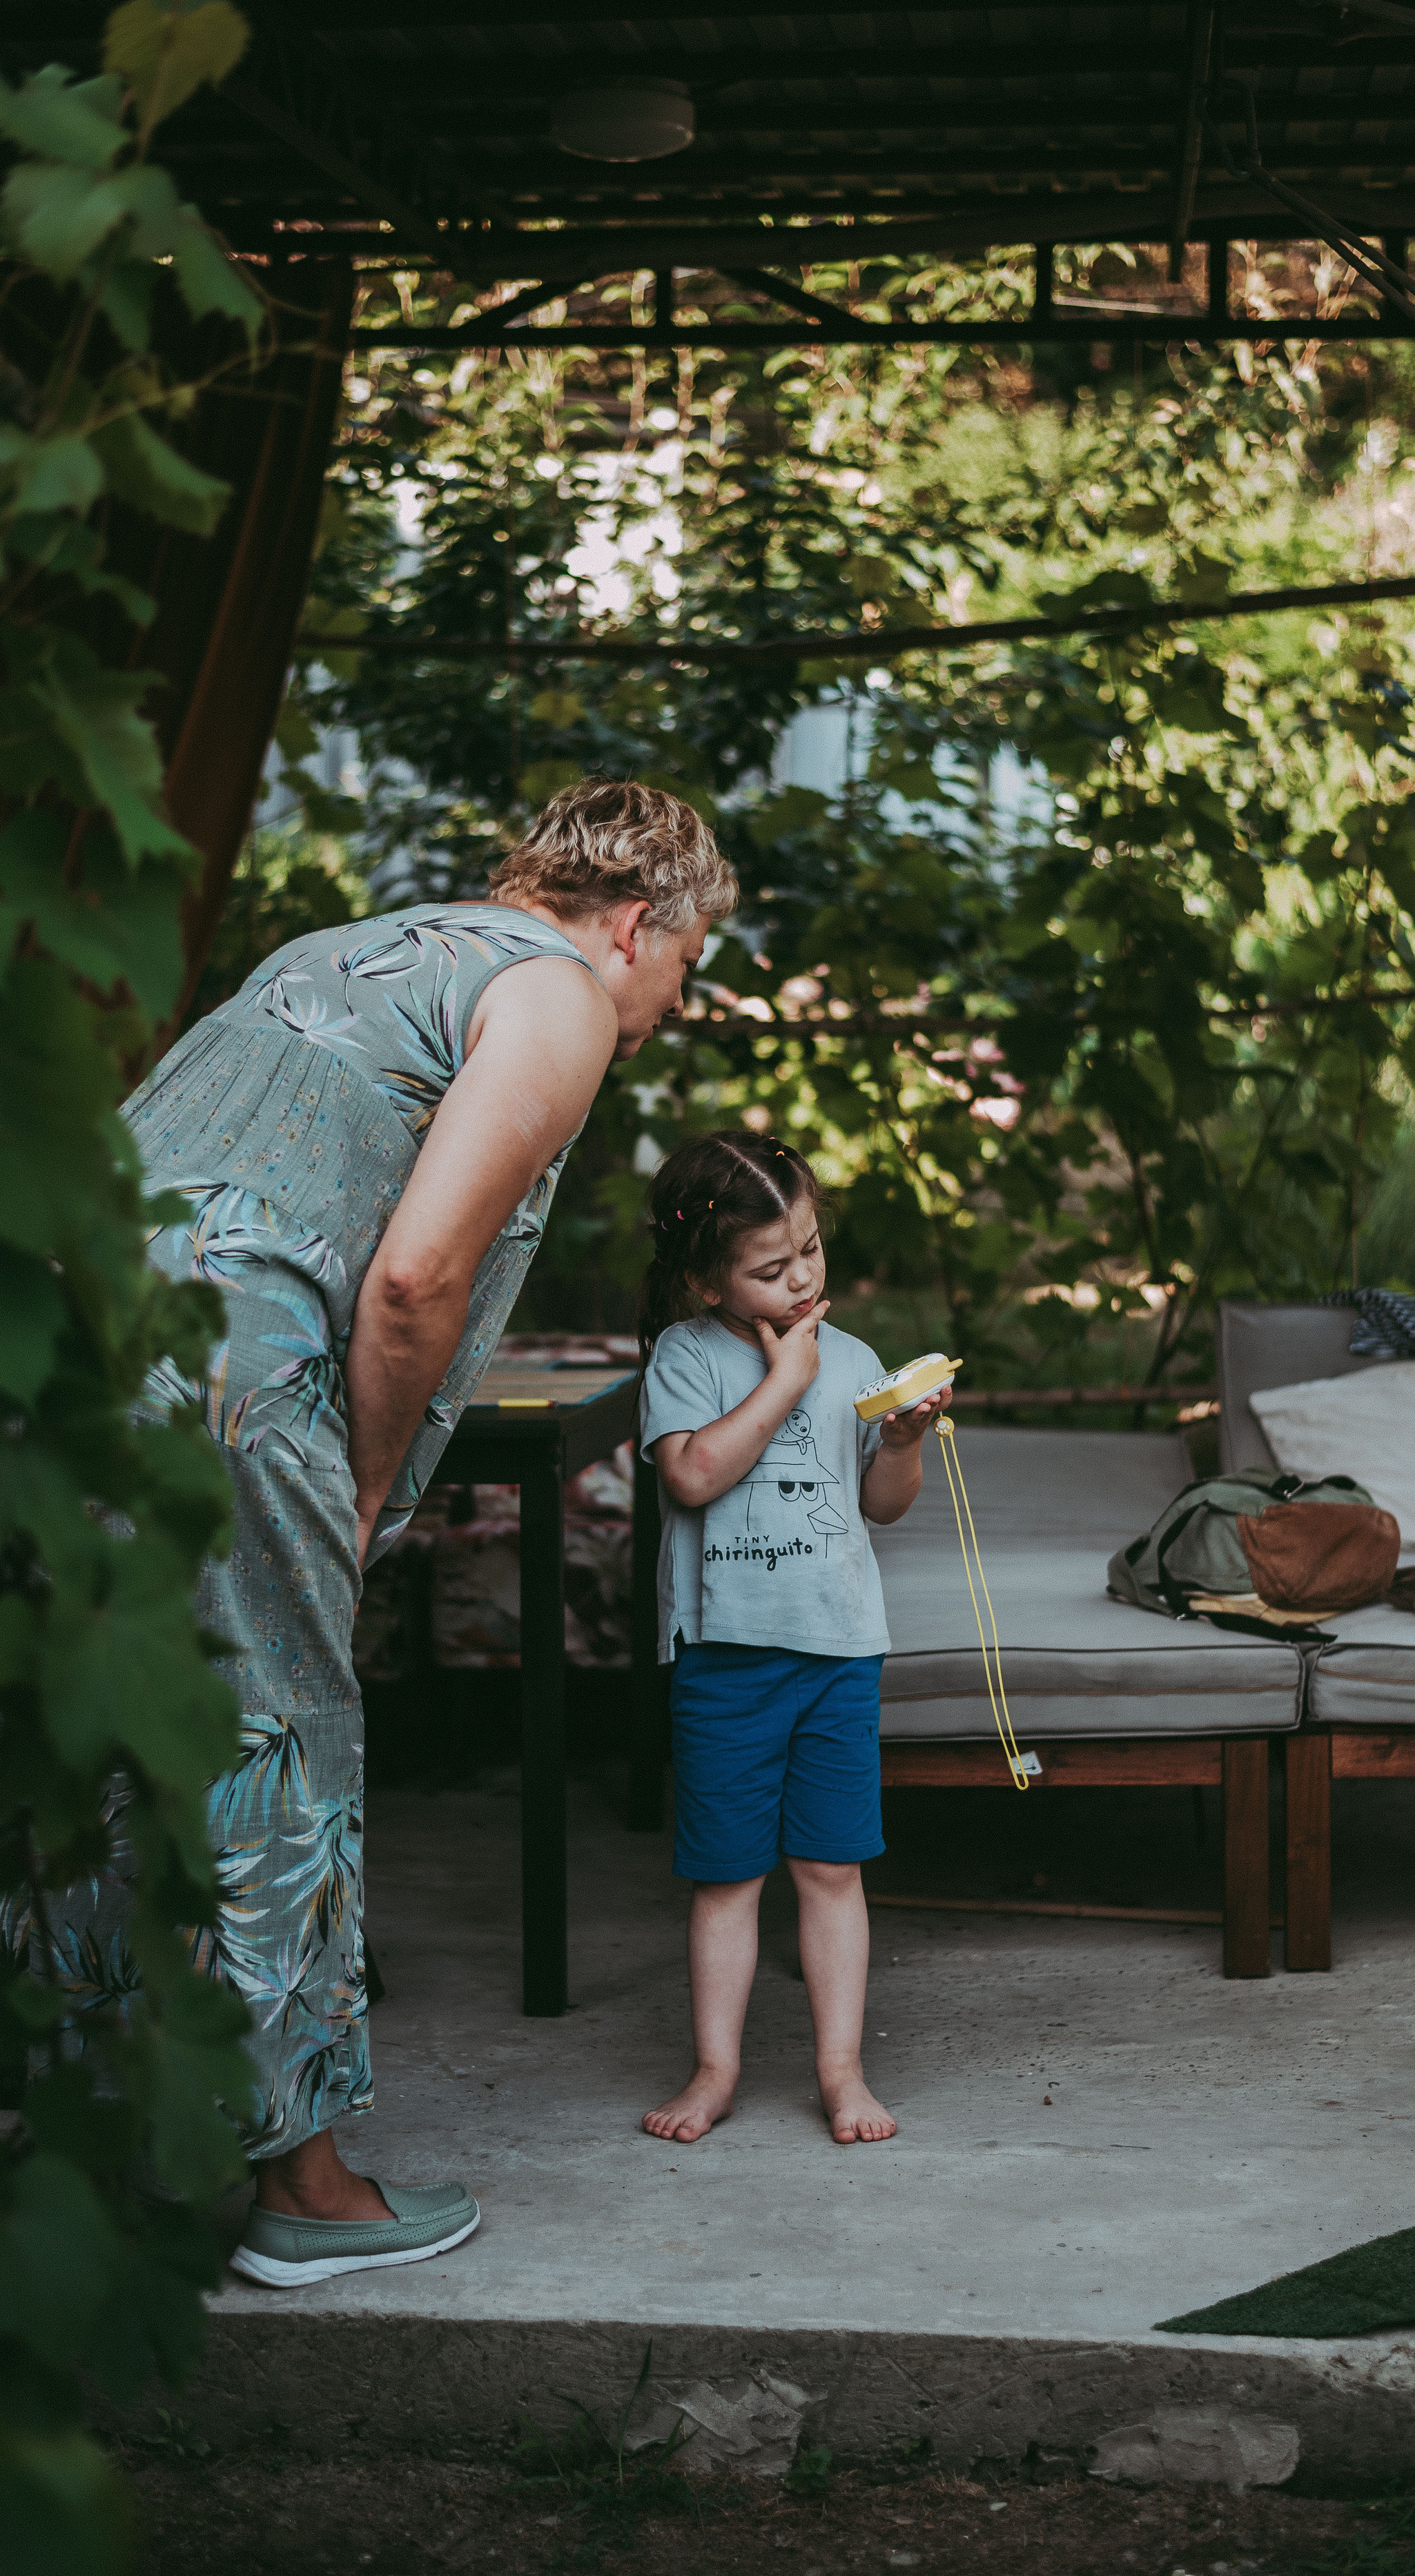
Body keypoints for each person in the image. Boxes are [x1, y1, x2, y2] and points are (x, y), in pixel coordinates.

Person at [128, 780, 735, 2283]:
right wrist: (361, 1493)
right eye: (687, 961)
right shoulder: (560, 992)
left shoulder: (343, 949)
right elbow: (414, 1279)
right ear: (631, 925)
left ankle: (75, 2132)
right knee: (274, 1732)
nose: (676, 1001)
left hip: (61, 1335)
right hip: (220, 1368)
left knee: (101, 1714)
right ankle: (303, 2191)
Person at [634, 1131, 950, 2147]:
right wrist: (785, 1378)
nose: (803, 1279)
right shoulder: (686, 1356)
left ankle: (841, 2071)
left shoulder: (851, 1359)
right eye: (771, 1269)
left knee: (831, 1869)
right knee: (728, 1876)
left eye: (809, 1249)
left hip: (838, 1653)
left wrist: (901, 1441)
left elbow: (881, 1505)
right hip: (725, 1660)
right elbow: (691, 1474)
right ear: (705, 1279)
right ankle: (716, 2070)